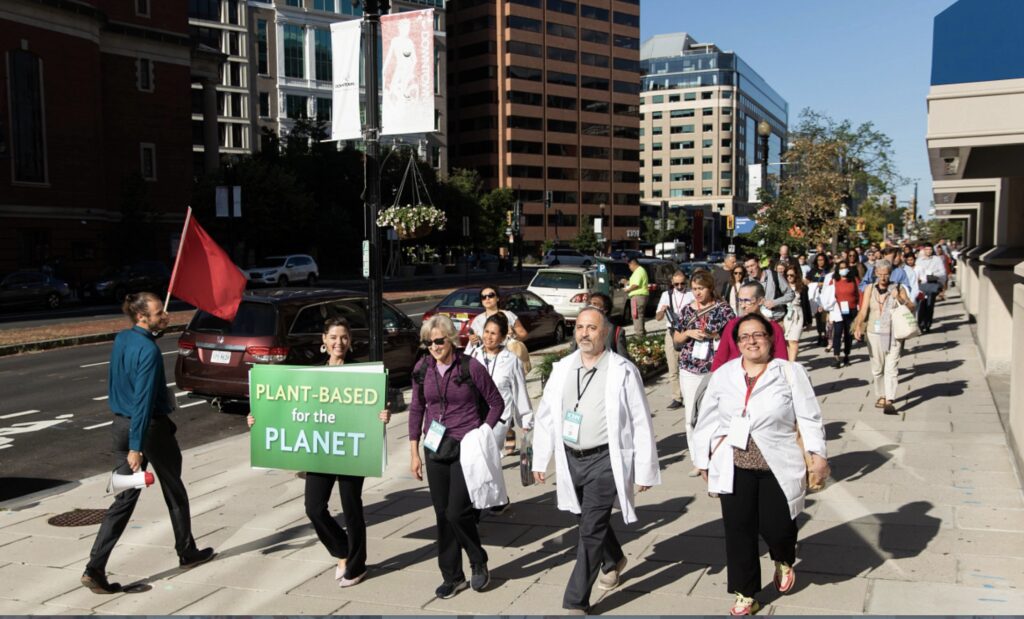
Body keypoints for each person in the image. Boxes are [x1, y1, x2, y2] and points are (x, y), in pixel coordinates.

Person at [691, 313, 828, 616]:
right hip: (735, 464)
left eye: (758, 335)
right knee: (738, 530)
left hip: (777, 464)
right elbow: (707, 420)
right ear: (736, 342)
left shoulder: (790, 372)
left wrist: (817, 453)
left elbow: (809, 415)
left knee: (778, 528)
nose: (751, 342)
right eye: (744, 337)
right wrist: (702, 458)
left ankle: (783, 557)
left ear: (770, 338)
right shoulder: (723, 374)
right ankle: (745, 593)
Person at [82, 293, 214, 594]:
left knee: (124, 500)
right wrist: (136, 447)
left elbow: (118, 384)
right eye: (158, 314)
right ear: (142, 317)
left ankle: (95, 567)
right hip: (148, 431)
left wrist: (129, 439)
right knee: (174, 488)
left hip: (119, 425)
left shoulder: (122, 339)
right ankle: (187, 551)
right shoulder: (149, 350)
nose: (164, 316)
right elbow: (142, 401)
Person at [531, 306, 661, 614]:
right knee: (583, 516)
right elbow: (547, 415)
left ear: (604, 332)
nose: (584, 334)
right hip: (570, 458)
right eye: (579, 328)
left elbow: (641, 420)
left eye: (591, 328)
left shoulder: (621, 369)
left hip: (604, 459)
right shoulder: (563, 367)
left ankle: (575, 600)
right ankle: (613, 557)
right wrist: (540, 458)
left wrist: (644, 469)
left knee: (589, 529)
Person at [248, 317, 391, 587]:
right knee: (314, 508)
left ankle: (357, 566)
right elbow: (287, 408)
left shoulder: (362, 374)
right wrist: (258, 420)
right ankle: (342, 551)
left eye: (345, 337)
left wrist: (384, 415)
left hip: (350, 447)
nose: (339, 342)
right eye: (334, 337)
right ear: (324, 340)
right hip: (321, 447)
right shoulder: (311, 374)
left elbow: (375, 409)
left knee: (351, 507)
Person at [408, 315, 506, 599]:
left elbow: (496, 403)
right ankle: (452, 576)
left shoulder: (469, 366)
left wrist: (483, 433)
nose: (435, 347)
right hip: (435, 447)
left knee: (457, 511)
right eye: (429, 342)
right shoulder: (422, 368)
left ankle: (478, 560)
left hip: (466, 447)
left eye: (439, 341)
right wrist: (414, 452)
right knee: (442, 515)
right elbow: (417, 409)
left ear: (451, 339)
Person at [672, 271, 735, 474]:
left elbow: (732, 336)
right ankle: (697, 459)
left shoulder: (723, 309)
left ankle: (716, 455)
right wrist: (688, 333)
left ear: (710, 288)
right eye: (694, 289)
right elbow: (676, 340)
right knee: (691, 415)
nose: (697, 293)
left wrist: (715, 334)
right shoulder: (686, 310)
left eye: (701, 288)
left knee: (715, 414)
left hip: (715, 367)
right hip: (690, 367)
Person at [468, 313, 533, 462]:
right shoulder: (473, 355)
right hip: (474, 417)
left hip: (499, 419)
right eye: (486, 332)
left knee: (485, 459)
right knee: (475, 461)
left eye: (493, 333)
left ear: (503, 337)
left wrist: (526, 423)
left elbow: (520, 392)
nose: (488, 337)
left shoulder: (512, 360)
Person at [853, 260, 913, 415]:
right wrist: (858, 326)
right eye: (880, 274)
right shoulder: (869, 288)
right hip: (874, 331)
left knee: (891, 367)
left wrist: (900, 298)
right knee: (877, 368)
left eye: (886, 274)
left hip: (893, 332)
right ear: (875, 274)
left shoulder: (898, 287)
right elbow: (864, 309)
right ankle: (881, 395)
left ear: (890, 274)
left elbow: (911, 307)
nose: (883, 277)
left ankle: (890, 400)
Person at [712, 282, 789, 371]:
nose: (743, 305)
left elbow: (781, 361)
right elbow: (721, 357)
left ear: (761, 301)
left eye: (747, 301)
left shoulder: (774, 328)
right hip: (733, 376)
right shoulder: (732, 325)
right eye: (740, 300)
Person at [655, 270, 694, 409]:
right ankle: (677, 397)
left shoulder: (691, 294)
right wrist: (663, 310)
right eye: (676, 284)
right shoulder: (666, 295)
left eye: (682, 283)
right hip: (671, 332)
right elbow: (658, 317)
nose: (679, 286)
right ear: (672, 283)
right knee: (672, 366)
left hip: (687, 331)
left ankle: (688, 395)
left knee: (687, 366)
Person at [820, 258, 860, 368]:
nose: (843, 270)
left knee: (848, 334)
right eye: (841, 268)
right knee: (837, 333)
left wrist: (860, 307)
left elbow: (860, 293)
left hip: (851, 310)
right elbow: (827, 294)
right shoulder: (834, 280)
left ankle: (847, 355)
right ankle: (836, 357)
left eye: (845, 268)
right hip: (838, 310)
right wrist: (826, 309)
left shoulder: (854, 279)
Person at [568, 292, 630, 360]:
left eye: (595, 304)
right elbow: (572, 353)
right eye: (589, 303)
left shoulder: (616, 331)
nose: (591, 306)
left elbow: (624, 359)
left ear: (605, 310)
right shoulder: (578, 328)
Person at [743, 255, 793, 322]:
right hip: (758, 322)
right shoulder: (746, 282)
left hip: (777, 320)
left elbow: (791, 294)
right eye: (747, 267)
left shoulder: (774, 276)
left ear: (759, 264)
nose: (750, 270)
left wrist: (775, 302)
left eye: (752, 265)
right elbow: (742, 302)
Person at [914, 244, 947, 333]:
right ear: (924, 250)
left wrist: (932, 274)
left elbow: (942, 273)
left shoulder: (937, 260)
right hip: (921, 286)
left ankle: (927, 324)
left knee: (930, 304)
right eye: (927, 249)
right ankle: (920, 323)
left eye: (930, 249)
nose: (928, 251)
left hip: (932, 284)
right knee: (921, 304)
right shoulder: (919, 260)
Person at [806, 253, 832, 347]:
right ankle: (820, 334)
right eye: (818, 260)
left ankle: (826, 335)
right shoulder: (813, 271)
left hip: (826, 297)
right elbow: (807, 281)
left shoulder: (829, 271)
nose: (820, 262)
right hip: (816, 297)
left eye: (822, 260)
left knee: (824, 316)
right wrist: (815, 284)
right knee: (818, 317)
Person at [620, 257, 650, 336]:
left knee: (636, 315)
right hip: (640, 295)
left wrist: (628, 289)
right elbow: (634, 282)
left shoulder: (638, 271)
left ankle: (639, 334)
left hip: (638, 296)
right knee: (640, 315)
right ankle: (642, 332)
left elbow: (636, 285)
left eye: (629, 266)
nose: (629, 268)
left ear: (632, 264)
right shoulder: (640, 271)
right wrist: (627, 282)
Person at [782, 265, 805, 362]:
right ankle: (789, 360)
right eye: (787, 275)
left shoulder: (802, 287)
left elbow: (805, 304)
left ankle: (792, 364)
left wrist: (808, 321)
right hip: (786, 315)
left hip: (797, 315)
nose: (789, 277)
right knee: (787, 341)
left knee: (793, 341)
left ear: (796, 275)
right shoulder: (782, 288)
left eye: (792, 275)